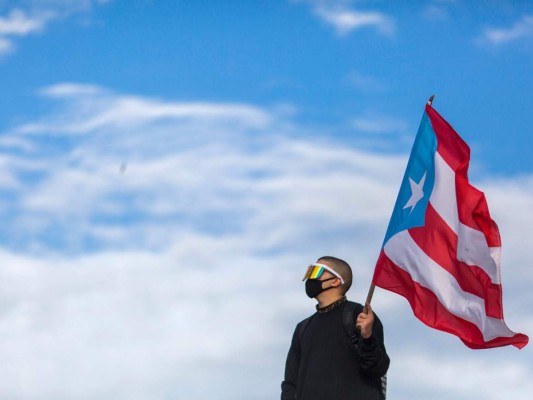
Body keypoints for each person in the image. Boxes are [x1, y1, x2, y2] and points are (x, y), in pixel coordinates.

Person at [281, 256, 390, 400]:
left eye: (316, 271)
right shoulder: (302, 328)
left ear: (336, 281)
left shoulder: (360, 315)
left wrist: (368, 337)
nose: (310, 278)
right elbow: (290, 382)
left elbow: (378, 368)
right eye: (310, 272)